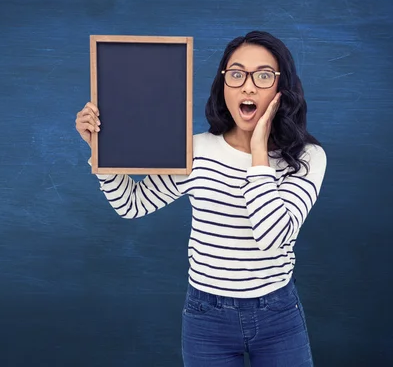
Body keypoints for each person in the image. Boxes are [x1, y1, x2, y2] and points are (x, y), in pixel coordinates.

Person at [75, 30, 327, 367]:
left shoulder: (307, 157)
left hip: (278, 315)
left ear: (282, 89)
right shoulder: (196, 150)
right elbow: (131, 204)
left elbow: (271, 237)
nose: (248, 86)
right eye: (236, 74)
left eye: (263, 75)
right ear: (223, 85)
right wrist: (99, 148)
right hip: (206, 318)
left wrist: (258, 153)